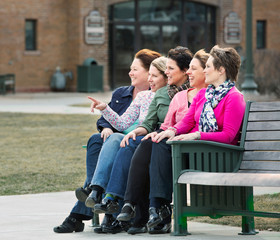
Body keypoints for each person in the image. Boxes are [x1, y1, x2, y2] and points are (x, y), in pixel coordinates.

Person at [119, 45, 246, 235]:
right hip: (194, 150)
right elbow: (185, 122)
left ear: (221, 70)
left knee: (159, 144)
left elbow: (228, 136)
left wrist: (197, 135)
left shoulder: (234, 97)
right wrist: (170, 131)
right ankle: (145, 206)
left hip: (217, 154)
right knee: (153, 140)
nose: (204, 71)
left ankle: (157, 208)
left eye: (208, 67)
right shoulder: (204, 94)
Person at [53, 49, 161, 233]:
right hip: (114, 141)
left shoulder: (156, 97)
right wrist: (106, 128)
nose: (130, 73)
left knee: (117, 140)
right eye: (130, 69)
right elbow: (107, 120)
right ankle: (99, 199)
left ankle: (86, 205)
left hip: (133, 144)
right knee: (96, 139)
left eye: (135, 69)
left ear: (150, 72)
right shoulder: (122, 93)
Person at [93, 46, 193, 234]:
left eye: (166, 71)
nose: (151, 80)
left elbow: (184, 121)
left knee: (147, 145)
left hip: (179, 144)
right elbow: (147, 123)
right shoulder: (160, 95)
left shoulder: (190, 93)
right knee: (122, 141)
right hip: (158, 139)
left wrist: (163, 131)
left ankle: (141, 209)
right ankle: (119, 203)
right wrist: (135, 131)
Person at [116, 49, 210, 235]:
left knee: (155, 143)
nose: (167, 72)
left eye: (171, 68)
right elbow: (165, 124)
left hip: (194, 148)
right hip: (172, 144)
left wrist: (168, 132)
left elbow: (192, 125)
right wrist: (155, 132)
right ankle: (139, 207)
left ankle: (153, 208)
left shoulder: (206, 95)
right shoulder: (178, 96)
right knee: (147, 142)